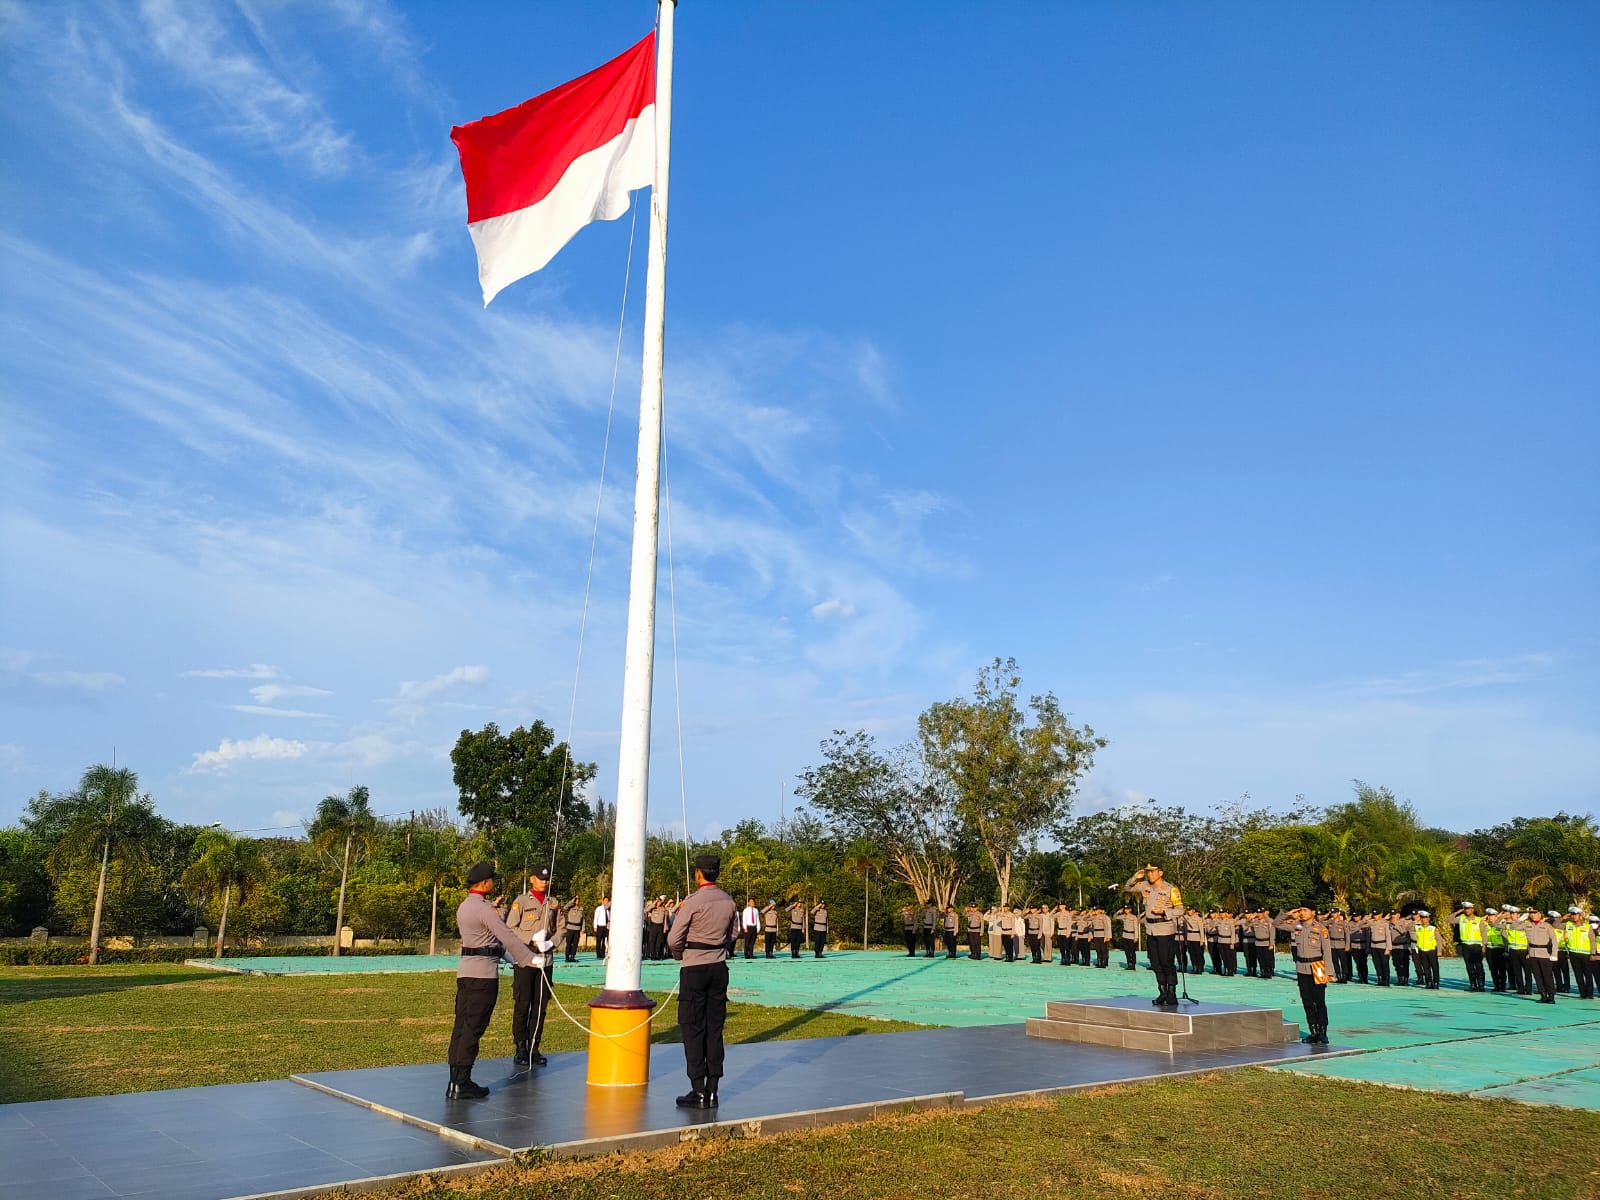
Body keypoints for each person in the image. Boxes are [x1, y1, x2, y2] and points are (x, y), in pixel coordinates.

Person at [448, 863, 539, 1099]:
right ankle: (463, 1082)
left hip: (466, 974)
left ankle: (454, 1081)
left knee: (461, 1026)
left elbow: (488, 943)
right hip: (483, 977)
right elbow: (506, 935)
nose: (493, 884)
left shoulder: (464, 907)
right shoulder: (486, 909)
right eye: (492, 880)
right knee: (474, 1027)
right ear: (485, 883)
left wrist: (515, 960)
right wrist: (528, 958)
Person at [667, 852, 739, 1109]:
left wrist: (681, 955)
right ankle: (713, 1089)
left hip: (695, 968)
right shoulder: (729, 901)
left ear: (698, 873)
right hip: (719, 967)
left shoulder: (693, 902)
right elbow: (734, 933)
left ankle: (698, 1089)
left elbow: (674, 939)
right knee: (714, 1027)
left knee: (692, 1026)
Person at [506, 867, 560, 1069]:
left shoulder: (553, 903)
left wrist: (551, 943)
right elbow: (511, 928)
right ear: (532, 880)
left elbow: (561, 928)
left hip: (545, 961)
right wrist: (530, 940)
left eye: (547, 879)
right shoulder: (521, 901)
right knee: (522, 1004)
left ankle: (534, 1047)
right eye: (541, 879)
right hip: (526, 959)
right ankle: (520, 1047)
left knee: (540, 1007)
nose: (544, 882)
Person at [1125, 865, 1182, 1006]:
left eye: (1153, 871)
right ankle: (1162, 992)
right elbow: (1128, 888)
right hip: (1150, 929)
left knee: (1166, 962)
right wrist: (1135, 878)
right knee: (1155, 963)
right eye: (1148, 871)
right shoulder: (1145, 886)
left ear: (1160, 873)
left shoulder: (1171, 889)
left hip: (1165, 928)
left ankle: (1172, 992)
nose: (1149, 874)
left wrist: (1164, 912)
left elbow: (1180, 909)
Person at [1286, 906, 1333, 1045]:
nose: (1302, 913)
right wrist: (1289, 914)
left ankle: (1323, 1033)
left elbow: (1327, 952)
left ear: (1313, 912)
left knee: (1319, 1001)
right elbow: (1277, 924)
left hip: (1317, 967)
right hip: (1301, 968)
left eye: (1305, 910)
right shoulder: (1297, 926)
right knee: (1307, 1001)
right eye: (1300, 910)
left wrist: (1328, 973)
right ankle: (1313, 1031)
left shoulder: (1321, 929)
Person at [1524, 909, 1558, 1004]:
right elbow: (1514, 926)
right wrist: (1521, 918)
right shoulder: (1527, 925)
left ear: (1540, 914)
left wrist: (1554, 954)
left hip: (1544, 953)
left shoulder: (1547, 926)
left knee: (1547, 976)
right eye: (1531, 914)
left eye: (1535, 913)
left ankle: (1551, 996)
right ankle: (1543, 994)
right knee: (1537, 976)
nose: (1533, 915)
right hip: (1533, 953)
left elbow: (1554, 940)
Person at [1452, 903, 1484, 992]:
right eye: (1465, 909)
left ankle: (1481, 985)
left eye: (1468, 909)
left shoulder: (1479, 920)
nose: (1467, 910)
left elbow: (1484, 933)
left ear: (1473, 909)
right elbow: (1449, 919)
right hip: (1466, 946)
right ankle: (1473, 985)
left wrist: (1484, 946)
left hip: (1476, 946)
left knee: (1478, 966)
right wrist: (1458, 912)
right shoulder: (1462, 918)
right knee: (1469, 966)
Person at [1413, 911, 1440, 989]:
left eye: (1425, 918)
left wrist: (1439, 951)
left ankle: (1436, 982)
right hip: (1422, 950)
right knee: (1425, 967)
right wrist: (1415, 920)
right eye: (1422, 918)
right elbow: (1408, 927)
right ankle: (1428, 982)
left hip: (1431, 950)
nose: (1423, 920)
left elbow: (1438, 940)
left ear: (1428, 919)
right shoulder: (1417, 927)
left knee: (1434, 967)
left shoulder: (1433, 928)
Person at [563, 895, 585, 963]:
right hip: (570, 928)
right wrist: (574, 899)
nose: (577, 901)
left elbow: (583, 919)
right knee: (568, 943)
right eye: (576, 899)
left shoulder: (581, 909)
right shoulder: (570, 907)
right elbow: (565, 907)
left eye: (578, 899)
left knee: (575, 944)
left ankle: (572, 956)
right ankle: (567, 957)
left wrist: (583, 928)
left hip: (577, 929)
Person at [1117, 906, 1139, 970]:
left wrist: (1136, 937)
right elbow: (1115, 917)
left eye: (1127, 909)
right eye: (1125, 909)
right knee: (1127, 951)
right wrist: (1118, 912)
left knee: (1132, 951)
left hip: (1131, 936)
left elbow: (1136, 927)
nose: (1126, 910)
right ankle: (1129, 963)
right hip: (1125, 935)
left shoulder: (1134, 917)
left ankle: (1133, 964)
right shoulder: (1123, 916)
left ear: (1130, 910)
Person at [593, 895, 610, 960]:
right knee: (599, 941)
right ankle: (598, 954)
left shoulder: (608, 909)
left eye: (607, 901)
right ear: (603, 901)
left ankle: (603, 954)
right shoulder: (599, 908)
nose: (606, 902)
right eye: (605, 900)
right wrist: (595, 927)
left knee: (604, 941)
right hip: (600, 926)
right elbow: (596, 918)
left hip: (606, 927)